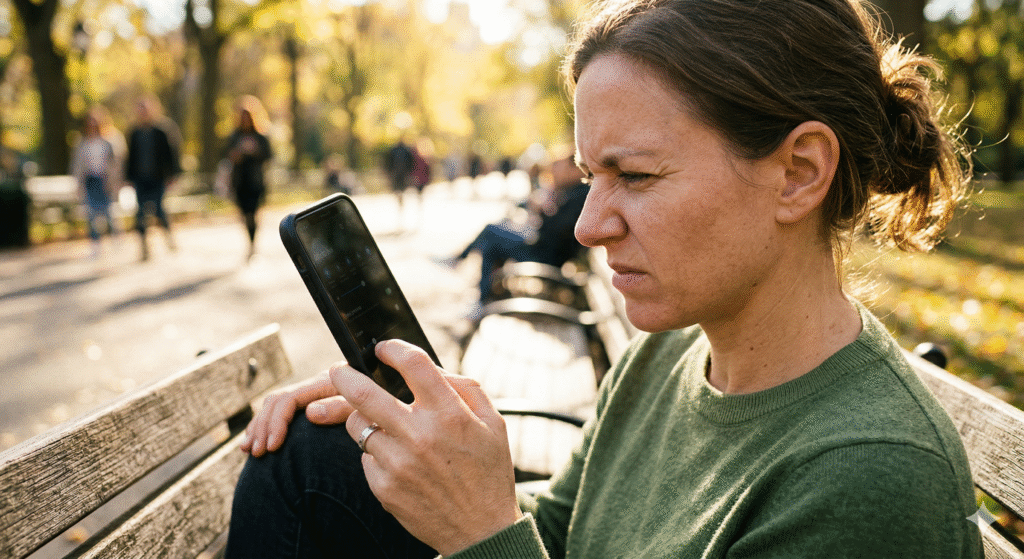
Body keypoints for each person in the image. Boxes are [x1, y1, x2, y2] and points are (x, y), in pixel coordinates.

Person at [224, 1, 982, 558]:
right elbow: (561, 531)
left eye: (637, 175)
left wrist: (485, 534)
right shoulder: (671, 354)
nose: (587, 225)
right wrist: (443, 451)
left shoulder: (871, 476)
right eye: (590, 176)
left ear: (798, 173)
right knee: (311, 454)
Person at [436, 155, 589, 305]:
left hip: (544, 255)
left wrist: (541, 211)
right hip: (541, 248)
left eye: (558, 167)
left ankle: (479, 292)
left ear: (575, 170)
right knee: (493, 238)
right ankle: (483, 295)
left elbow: (558, 230)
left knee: (492, 234)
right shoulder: (572, 192)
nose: (553, 172)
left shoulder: (578, 195)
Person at [124, 94, 180, 261]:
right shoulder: (134, 132)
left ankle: (168, 236)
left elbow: (171, 155)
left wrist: (173, 175)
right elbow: (131, 157)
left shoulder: (162, 131)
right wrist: (129, 178)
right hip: (140, 178)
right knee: (140, 213)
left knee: (158, 209)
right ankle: (144, 247)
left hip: (158, 178)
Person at [224, 95, 273, 260]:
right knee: (244, 214)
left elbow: (268, 156)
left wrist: (254, 151)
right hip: (239, 182)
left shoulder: (261, 137)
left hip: (256, 181)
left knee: (253, 213)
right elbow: (227, 156)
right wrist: (237, 154)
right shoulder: (234, 136)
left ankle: (253, 244)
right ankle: (249, 240)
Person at [70, 108, 120, 256]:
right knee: (91, 215)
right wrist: (77, 184)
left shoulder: (107, 143)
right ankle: (95, 244)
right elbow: (77, 166)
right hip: (90, 181)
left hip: (104, 180)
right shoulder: (82, 144)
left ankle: (115, 239)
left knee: (109, 212)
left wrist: (114, 181)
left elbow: (115, 164)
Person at [383, 138, 415, 218]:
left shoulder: (394, 150)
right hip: (402, 174)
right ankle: (401, 203)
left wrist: (389, 173)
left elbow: (388, 162)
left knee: (398, 191)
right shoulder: (406, 150)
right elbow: (411, 162)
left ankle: (400, 203)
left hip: (396, 174)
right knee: (401, 190)